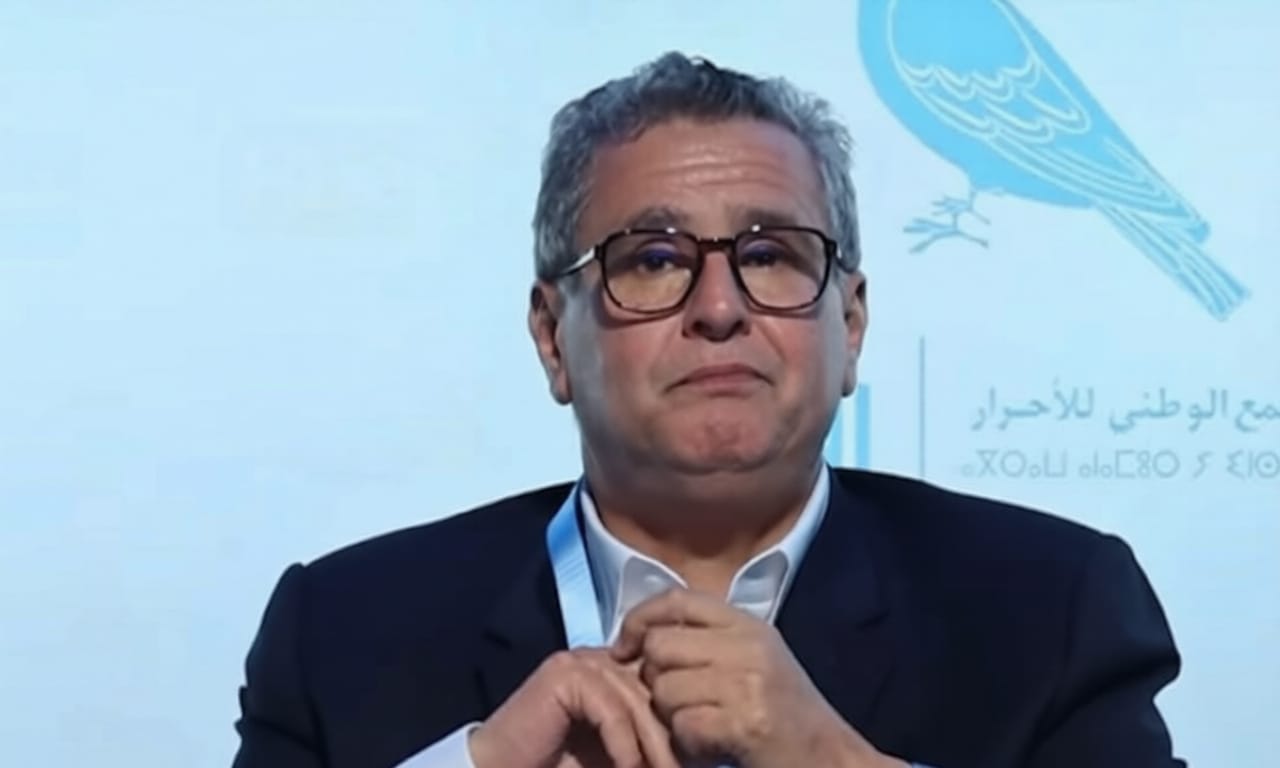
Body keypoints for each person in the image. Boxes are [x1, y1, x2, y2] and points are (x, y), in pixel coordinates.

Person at [229, 52, 1185, 768]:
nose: (720, 308)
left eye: (770, 256)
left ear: (850, 326)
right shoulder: (344, 630)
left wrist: (829, 761)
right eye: (653, 261)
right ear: (552, 337)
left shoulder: (1049, 609)